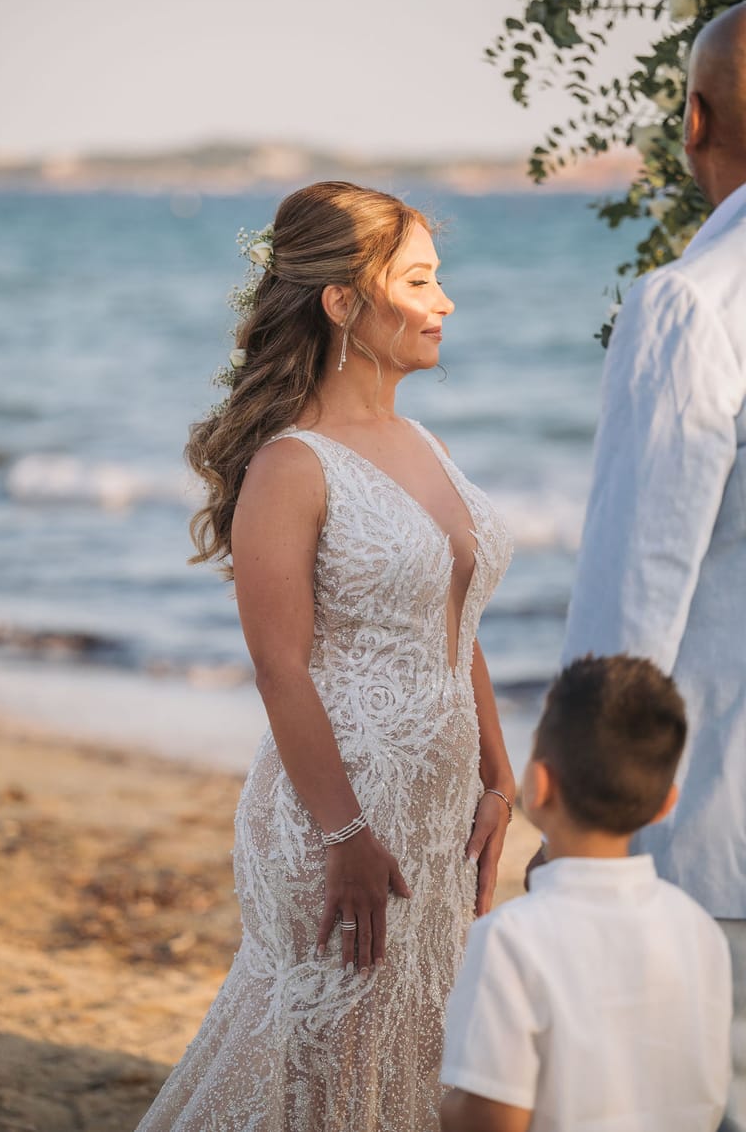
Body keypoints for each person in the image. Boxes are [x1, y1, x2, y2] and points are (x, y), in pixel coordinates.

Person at [135, 181, 515, 1132]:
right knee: (320, 1068)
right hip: (335, 816)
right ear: (344, 303)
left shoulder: (420, 439)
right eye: (420, 280)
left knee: (409, 1052)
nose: (445, 303)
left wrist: (498, 776)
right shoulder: (290, 465)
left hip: (437, 813)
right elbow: (280, 667)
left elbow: (453, 619)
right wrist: (344, 838)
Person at [558, 2, 746, 1130]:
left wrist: (575, 816)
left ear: (692, 123)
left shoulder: (693, 306)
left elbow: (631, 592)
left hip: (717, 839)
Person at [440, 654, 732, 1132]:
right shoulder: (698, 929)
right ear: (666, 805)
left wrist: (440, 1103)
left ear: (538, 785)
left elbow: (492, 1120)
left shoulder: (510, 939)